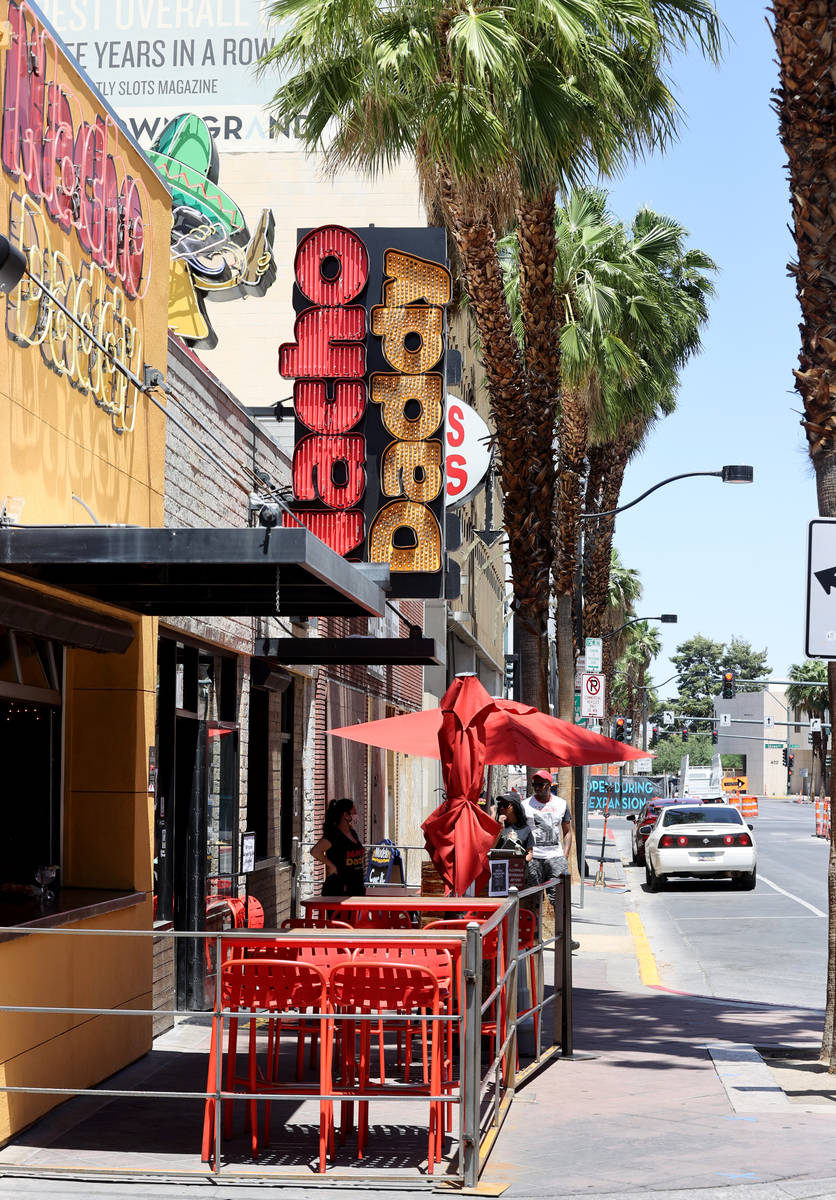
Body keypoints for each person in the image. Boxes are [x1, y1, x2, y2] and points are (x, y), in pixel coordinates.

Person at [522, 770, 573, 904]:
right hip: (534, 859)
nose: (537, 788)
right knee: (533, 900)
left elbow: (567, 831)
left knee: (559, 900)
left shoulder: (561, 804)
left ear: (549, 785)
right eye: (535, 785)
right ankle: (534, 925)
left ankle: (560, 925)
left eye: (541, 784)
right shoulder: (525, 805)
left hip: (555, 858)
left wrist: (564, 856)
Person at [310, 798, 366, 897]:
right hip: (339, 889)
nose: (356, 816)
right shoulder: (334, 835)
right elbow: (315, 851)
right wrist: (332, 866)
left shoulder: (352, 833)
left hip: (356, 888)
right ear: (346, 815)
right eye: (354, 812)